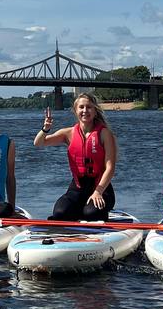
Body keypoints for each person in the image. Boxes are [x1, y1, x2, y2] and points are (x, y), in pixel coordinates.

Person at [34, 92, 117, 221]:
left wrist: (98, 191)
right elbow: (38, 143)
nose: (85, 110)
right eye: (81, 107)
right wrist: (45, 129)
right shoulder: (68, 133)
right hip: (78, 188)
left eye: (89, 107)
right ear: (75, 110)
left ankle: (93, 211)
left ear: (95, 111)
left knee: (91, 214)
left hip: (101, 187)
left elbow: (110, 168)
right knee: (60, 212)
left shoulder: (104, 134)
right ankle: (78, 211)